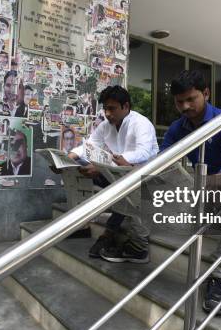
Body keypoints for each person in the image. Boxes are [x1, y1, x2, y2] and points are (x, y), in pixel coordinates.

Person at [159, 70, 221, 315]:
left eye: (191, 99)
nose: (185, 106)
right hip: (200, 188)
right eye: (179, 102)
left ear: (206, 94)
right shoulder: (177, 128)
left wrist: (203, 183)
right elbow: (162, 160)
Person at [67, 85, 158, 263]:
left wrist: (103, 166)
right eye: (105, 108)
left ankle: (110, 232)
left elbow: (144, 153)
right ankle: (91, 224)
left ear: (126, 106)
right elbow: (90, 146)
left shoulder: (141, 123)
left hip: (145, 178)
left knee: (121, 186)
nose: (107, 113)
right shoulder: (106, 126)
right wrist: (70, 156)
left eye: (112, 108)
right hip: (121, 174)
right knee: (78, 164)